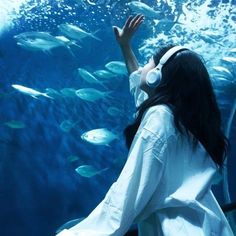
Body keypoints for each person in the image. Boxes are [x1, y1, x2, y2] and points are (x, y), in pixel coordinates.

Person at [56, 14, 234, 236]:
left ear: (158, 76)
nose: (142, 69)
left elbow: (127, 195)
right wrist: (125, 46)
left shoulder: (160, 117)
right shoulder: (184, 117)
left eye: (148, 63)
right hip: (211, 226)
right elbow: (139, 91)